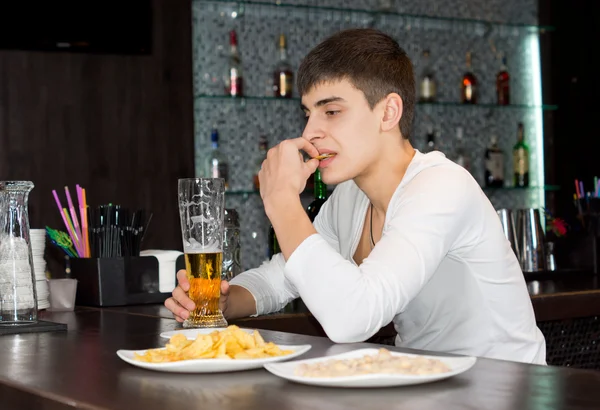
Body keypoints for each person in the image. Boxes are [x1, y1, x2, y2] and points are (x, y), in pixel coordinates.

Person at [165, 28, 546, 364]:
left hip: (505, 391)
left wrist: (282, 203)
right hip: (425, 387)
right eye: (308, 113)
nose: (311, 131)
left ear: (388, 112)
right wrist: (226, 300)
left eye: (331, 111)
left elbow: (353, 317)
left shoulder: (442, 186)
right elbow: (283, 276)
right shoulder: (351, 196)